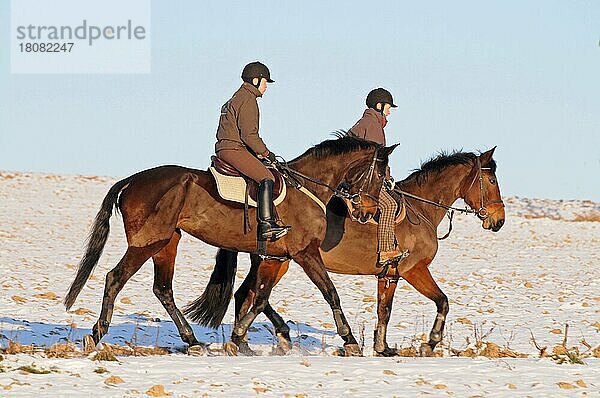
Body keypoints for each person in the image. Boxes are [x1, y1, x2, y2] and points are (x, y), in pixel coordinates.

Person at [215, 61, 290, 241]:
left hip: (228, 147)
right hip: (234, 148)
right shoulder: (248, 99)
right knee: (267, 177)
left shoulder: (237, 97)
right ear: (256, 80)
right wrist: (266, 153)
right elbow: (250, 136)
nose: (266, 87)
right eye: (265, 82)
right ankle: (266, 225)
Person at [348, 88, 408, 265]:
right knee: (390, 205)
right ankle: (386, 249)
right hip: (365, 180)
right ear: (379, 106)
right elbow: (378, 160)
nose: (390, 112)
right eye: (389, 107)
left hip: (357, 177)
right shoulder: (373, 126)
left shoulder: (363, 122)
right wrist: (387, 179)